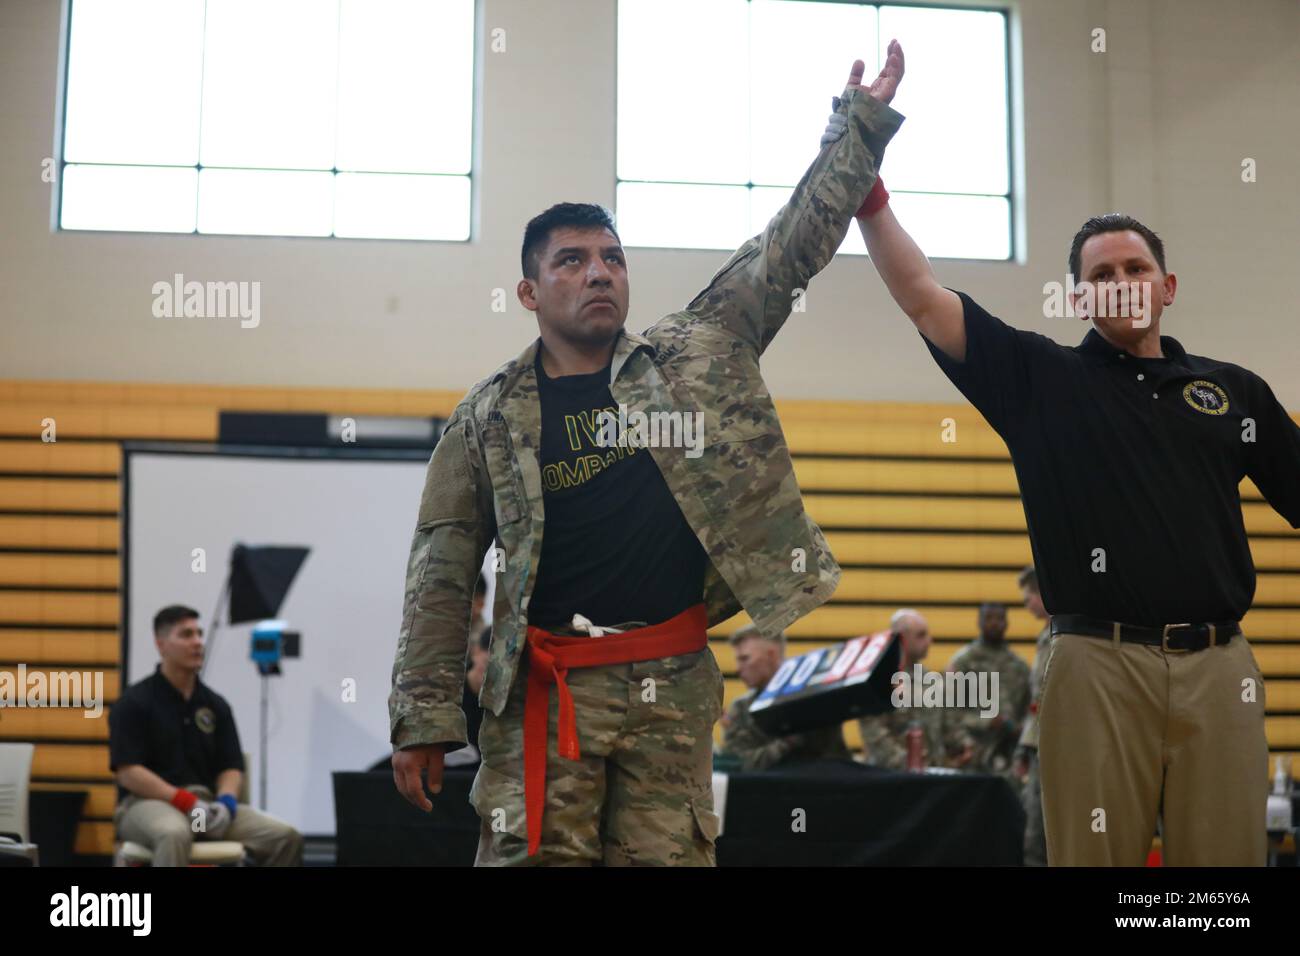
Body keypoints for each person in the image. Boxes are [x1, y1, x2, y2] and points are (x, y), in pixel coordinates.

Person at [389, 44, 907, 866]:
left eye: (612, 259)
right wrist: (422, 719)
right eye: (572, 261)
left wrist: (858, 128)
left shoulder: (698, 352)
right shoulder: (483, 421)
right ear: (530, 292)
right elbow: (440, 574)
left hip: (671, 685)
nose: (599, 274)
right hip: (545, 694)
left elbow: (788, 248)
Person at [856, 178, 1300, 864]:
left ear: (1167, 286)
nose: (1120, 281)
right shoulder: (1041, 379)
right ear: (1078, 297)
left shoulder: (1232, 390)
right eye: (1101, 274)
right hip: (1095, 666)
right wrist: (870, 199)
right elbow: (922, 295)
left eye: (1135, 268)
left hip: (1221, 668)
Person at [108, 605, 303, 866]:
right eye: (186, 635)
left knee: (285, 837)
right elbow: (128, 772)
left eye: (199, 634)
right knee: (173, 833)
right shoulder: (134, 702)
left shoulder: (215, 705)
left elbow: (231, 766)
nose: (198, 642)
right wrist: (184, 801)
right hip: (147, 805)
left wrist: (226, 802)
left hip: (207, 808)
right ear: (161, 644)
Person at [716, 625, 850, 771]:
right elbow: (738, 764)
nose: (738, 668)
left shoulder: (813, 696)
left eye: (745, 658)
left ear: (771, 655)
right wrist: (786, 743)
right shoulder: (741, 708)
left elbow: (835, 757)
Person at [857, 609, 973, 771]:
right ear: (902, 638)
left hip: (930, 779)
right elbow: (875, 736)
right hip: (892, 779)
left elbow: (946, 725)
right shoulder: (879, 681)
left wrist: (962, 744)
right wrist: (908, 765)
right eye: (921, 635)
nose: (929, 640)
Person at [945, 603, 1031, 780]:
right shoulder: (964, 662)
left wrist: (1019, 729)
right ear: (979, 621)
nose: (994, 623)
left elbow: (1028, 709)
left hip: (1009, 754)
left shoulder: (1019, 666)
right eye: (989, 618)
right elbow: (949, 712)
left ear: (1007, 623)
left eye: (999, 618)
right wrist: (986, 722)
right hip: (973, 752)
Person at [1011, 568, 1051, 866]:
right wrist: (1025, 747)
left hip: (1055, 747)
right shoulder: (1046, 636)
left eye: (1028, 599)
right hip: (1039, 744)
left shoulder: (1063, 636)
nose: (1027, 605)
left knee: (1040, 832)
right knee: (1034, 829)